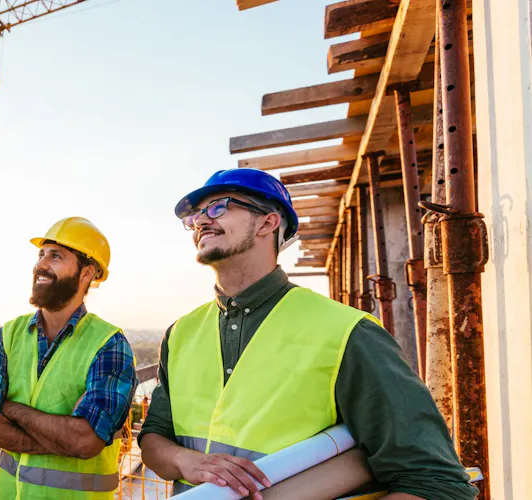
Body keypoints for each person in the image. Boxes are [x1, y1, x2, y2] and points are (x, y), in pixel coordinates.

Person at [138, 169, 477, 499]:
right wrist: (187, 461)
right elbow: (155, 439)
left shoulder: (348, 333)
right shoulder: (181, 334)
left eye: (219, 207)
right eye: (195, 214)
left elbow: (436, 481)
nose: (200, 221)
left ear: (268, 222)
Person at [0, 217, 138, 499]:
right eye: (40, 255)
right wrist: (61, 437)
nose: (41, 265)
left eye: (56, 256)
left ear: (87, 274)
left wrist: (11, 409)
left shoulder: (109, 345)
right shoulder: (8, 335)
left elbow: (85, 441)